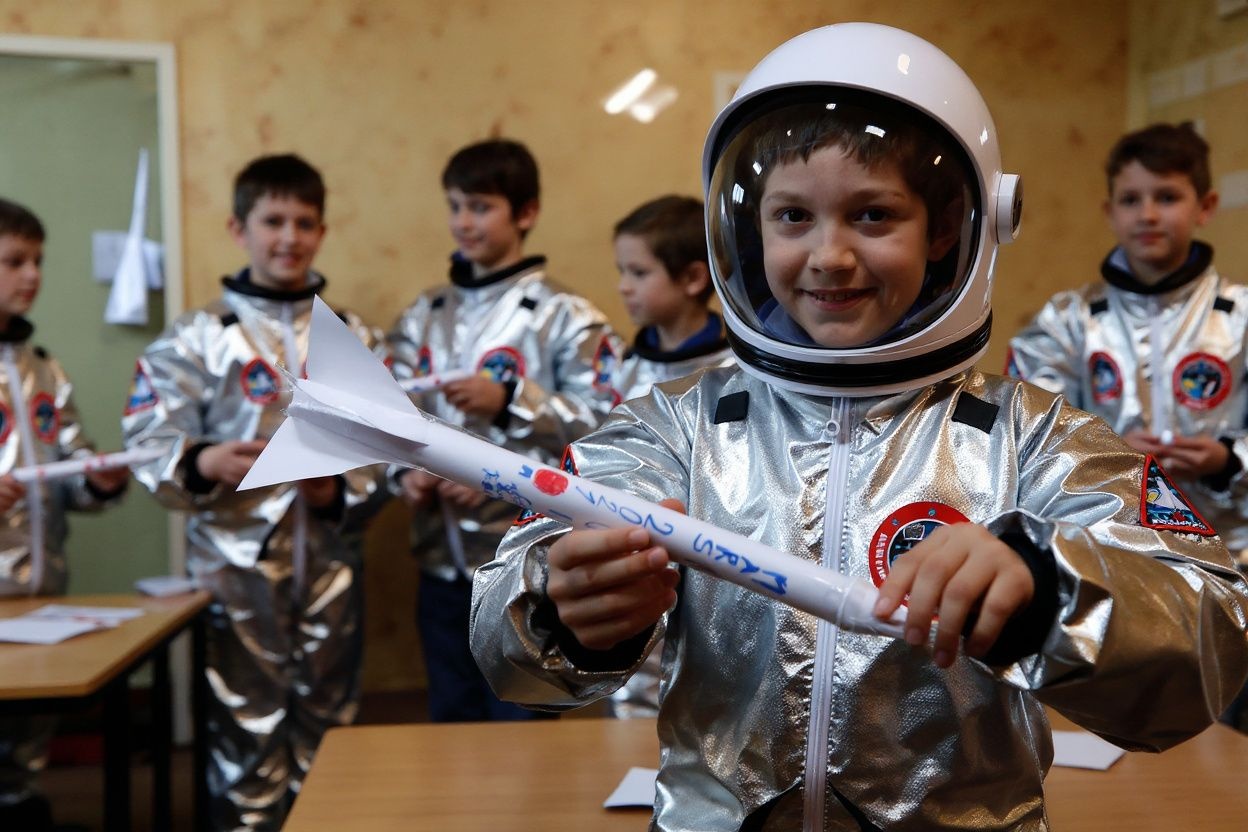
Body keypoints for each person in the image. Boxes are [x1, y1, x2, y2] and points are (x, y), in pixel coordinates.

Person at [469, 24, 1248, 831]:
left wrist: (1049, 587)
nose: (829, 256)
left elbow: (1214, 642)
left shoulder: (1034, 438)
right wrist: (562, 606)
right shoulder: (676, 427)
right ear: (747, 230)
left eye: (873, 215)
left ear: (951, 228)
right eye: (793, 217)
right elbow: (502, 634)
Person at [122, 155, 386, 831]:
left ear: (322, 231)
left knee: (330, 715)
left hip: (331, 560)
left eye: (304, 223)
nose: (288, 237)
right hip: (233, 569)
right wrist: (204, 457)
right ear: (239, 227)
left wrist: (340, 489)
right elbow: (148, 437)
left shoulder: (352, 334)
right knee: (245, 719)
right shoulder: (198, 335)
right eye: (273, 221)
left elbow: (395, 443)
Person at [1008, 122, 1248, 731]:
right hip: (1115, 565)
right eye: (1131, 199)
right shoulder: (1065, 321)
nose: (1148, 214)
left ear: (1205, 206)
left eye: (1167, 197)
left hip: (1235, 564)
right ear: (1109, 210)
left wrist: (1227, 458)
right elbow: (1027, 434)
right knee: (1130, 726)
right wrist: (1111, 454)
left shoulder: (1241, 318)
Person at [387, 138, 622, 722]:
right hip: (441, 563)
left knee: (522, 723)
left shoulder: (565, 314)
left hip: (526, 564)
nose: (464, 222)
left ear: (526, 213)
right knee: (451, 710)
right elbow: (385, 416)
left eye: (481, 206)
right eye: (455, 206)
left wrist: (514, 398)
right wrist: (404, 475)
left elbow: (608, 426)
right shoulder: (425, 314)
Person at [0, 198, 130, 832]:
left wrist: (98, 481)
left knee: (26, 741)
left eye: (38, 262)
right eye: (14, 262)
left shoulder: (45, 370)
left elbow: (69, 471)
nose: (32, 276)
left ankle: (20, 802)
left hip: (41, 590)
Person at [607, 194, 733, 718]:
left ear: (692, 279)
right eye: (621, 271)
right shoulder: (622, 368)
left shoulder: (733, 372)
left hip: (711, 576)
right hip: (634, 560)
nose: (623, 286)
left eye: (638, 271)